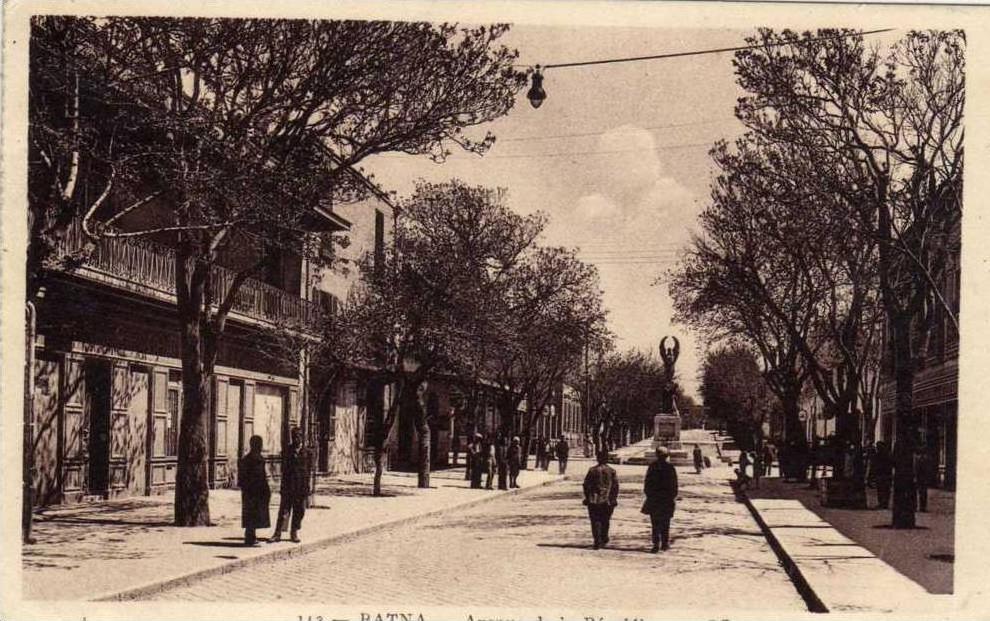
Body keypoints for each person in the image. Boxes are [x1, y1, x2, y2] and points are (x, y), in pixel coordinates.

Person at [271, 427, 310, 543]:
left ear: (302, 437)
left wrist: (308, 488)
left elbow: (308, 472)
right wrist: (283, 487)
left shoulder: (307, 453)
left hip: (301, 487)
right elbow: (284, 470)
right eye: (294, 437)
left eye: (298, 436)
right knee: (284, 511)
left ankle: (294, 533)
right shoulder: (287, 451)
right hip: (289, 486)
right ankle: (277, 533)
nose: (296, 439)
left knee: (299, 511)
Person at [642, 446, 679, 552]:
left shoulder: (652, 466)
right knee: (665, 523)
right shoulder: (670, 468)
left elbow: (647, 483)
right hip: (666, 500)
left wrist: (649, 495)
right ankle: (665, 544)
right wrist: (672, 497)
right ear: (666, 456)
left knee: (655, 523)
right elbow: (674, 485)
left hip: (654, 499)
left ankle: (656, 544)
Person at [238, 435, 271, 546]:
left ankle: (251, 536)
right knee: (254, 515)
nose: (261, 447)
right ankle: (250, 538)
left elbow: (241, 479)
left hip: (249, 492)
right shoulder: (258, 460)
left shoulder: (247, 459)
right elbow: (261, 477)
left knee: (251, 515)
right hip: (256, 491)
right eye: (260, 444)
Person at [583, 451, 619, 550]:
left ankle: (597, 540)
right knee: (605, 519)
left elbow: (586, 485)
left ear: (597, 459)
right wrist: (614, 498)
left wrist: (587, 497)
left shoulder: (592, 470)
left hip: (593, 499)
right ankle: (604, 537)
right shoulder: (611, 471)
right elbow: (615, 487)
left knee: (595, 520)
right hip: (607, 500)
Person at [868, 441, 893, 510]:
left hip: (882, 474)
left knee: (882, 489)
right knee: (883, 489)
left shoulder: (879, 456)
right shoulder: (887, 455)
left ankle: (883, 503)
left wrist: (871, 476)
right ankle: (884, 503)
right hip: (884, 475)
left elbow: (873, 466)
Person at [914, 447, 934, 512]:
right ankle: (922, 507)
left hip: (920, 478)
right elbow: (928, 469)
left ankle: (920, 506)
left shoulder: (917, 459)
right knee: (923, 493)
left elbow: (916, 469)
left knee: (920, 492)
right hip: (923, 478)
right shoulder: (926, 459)